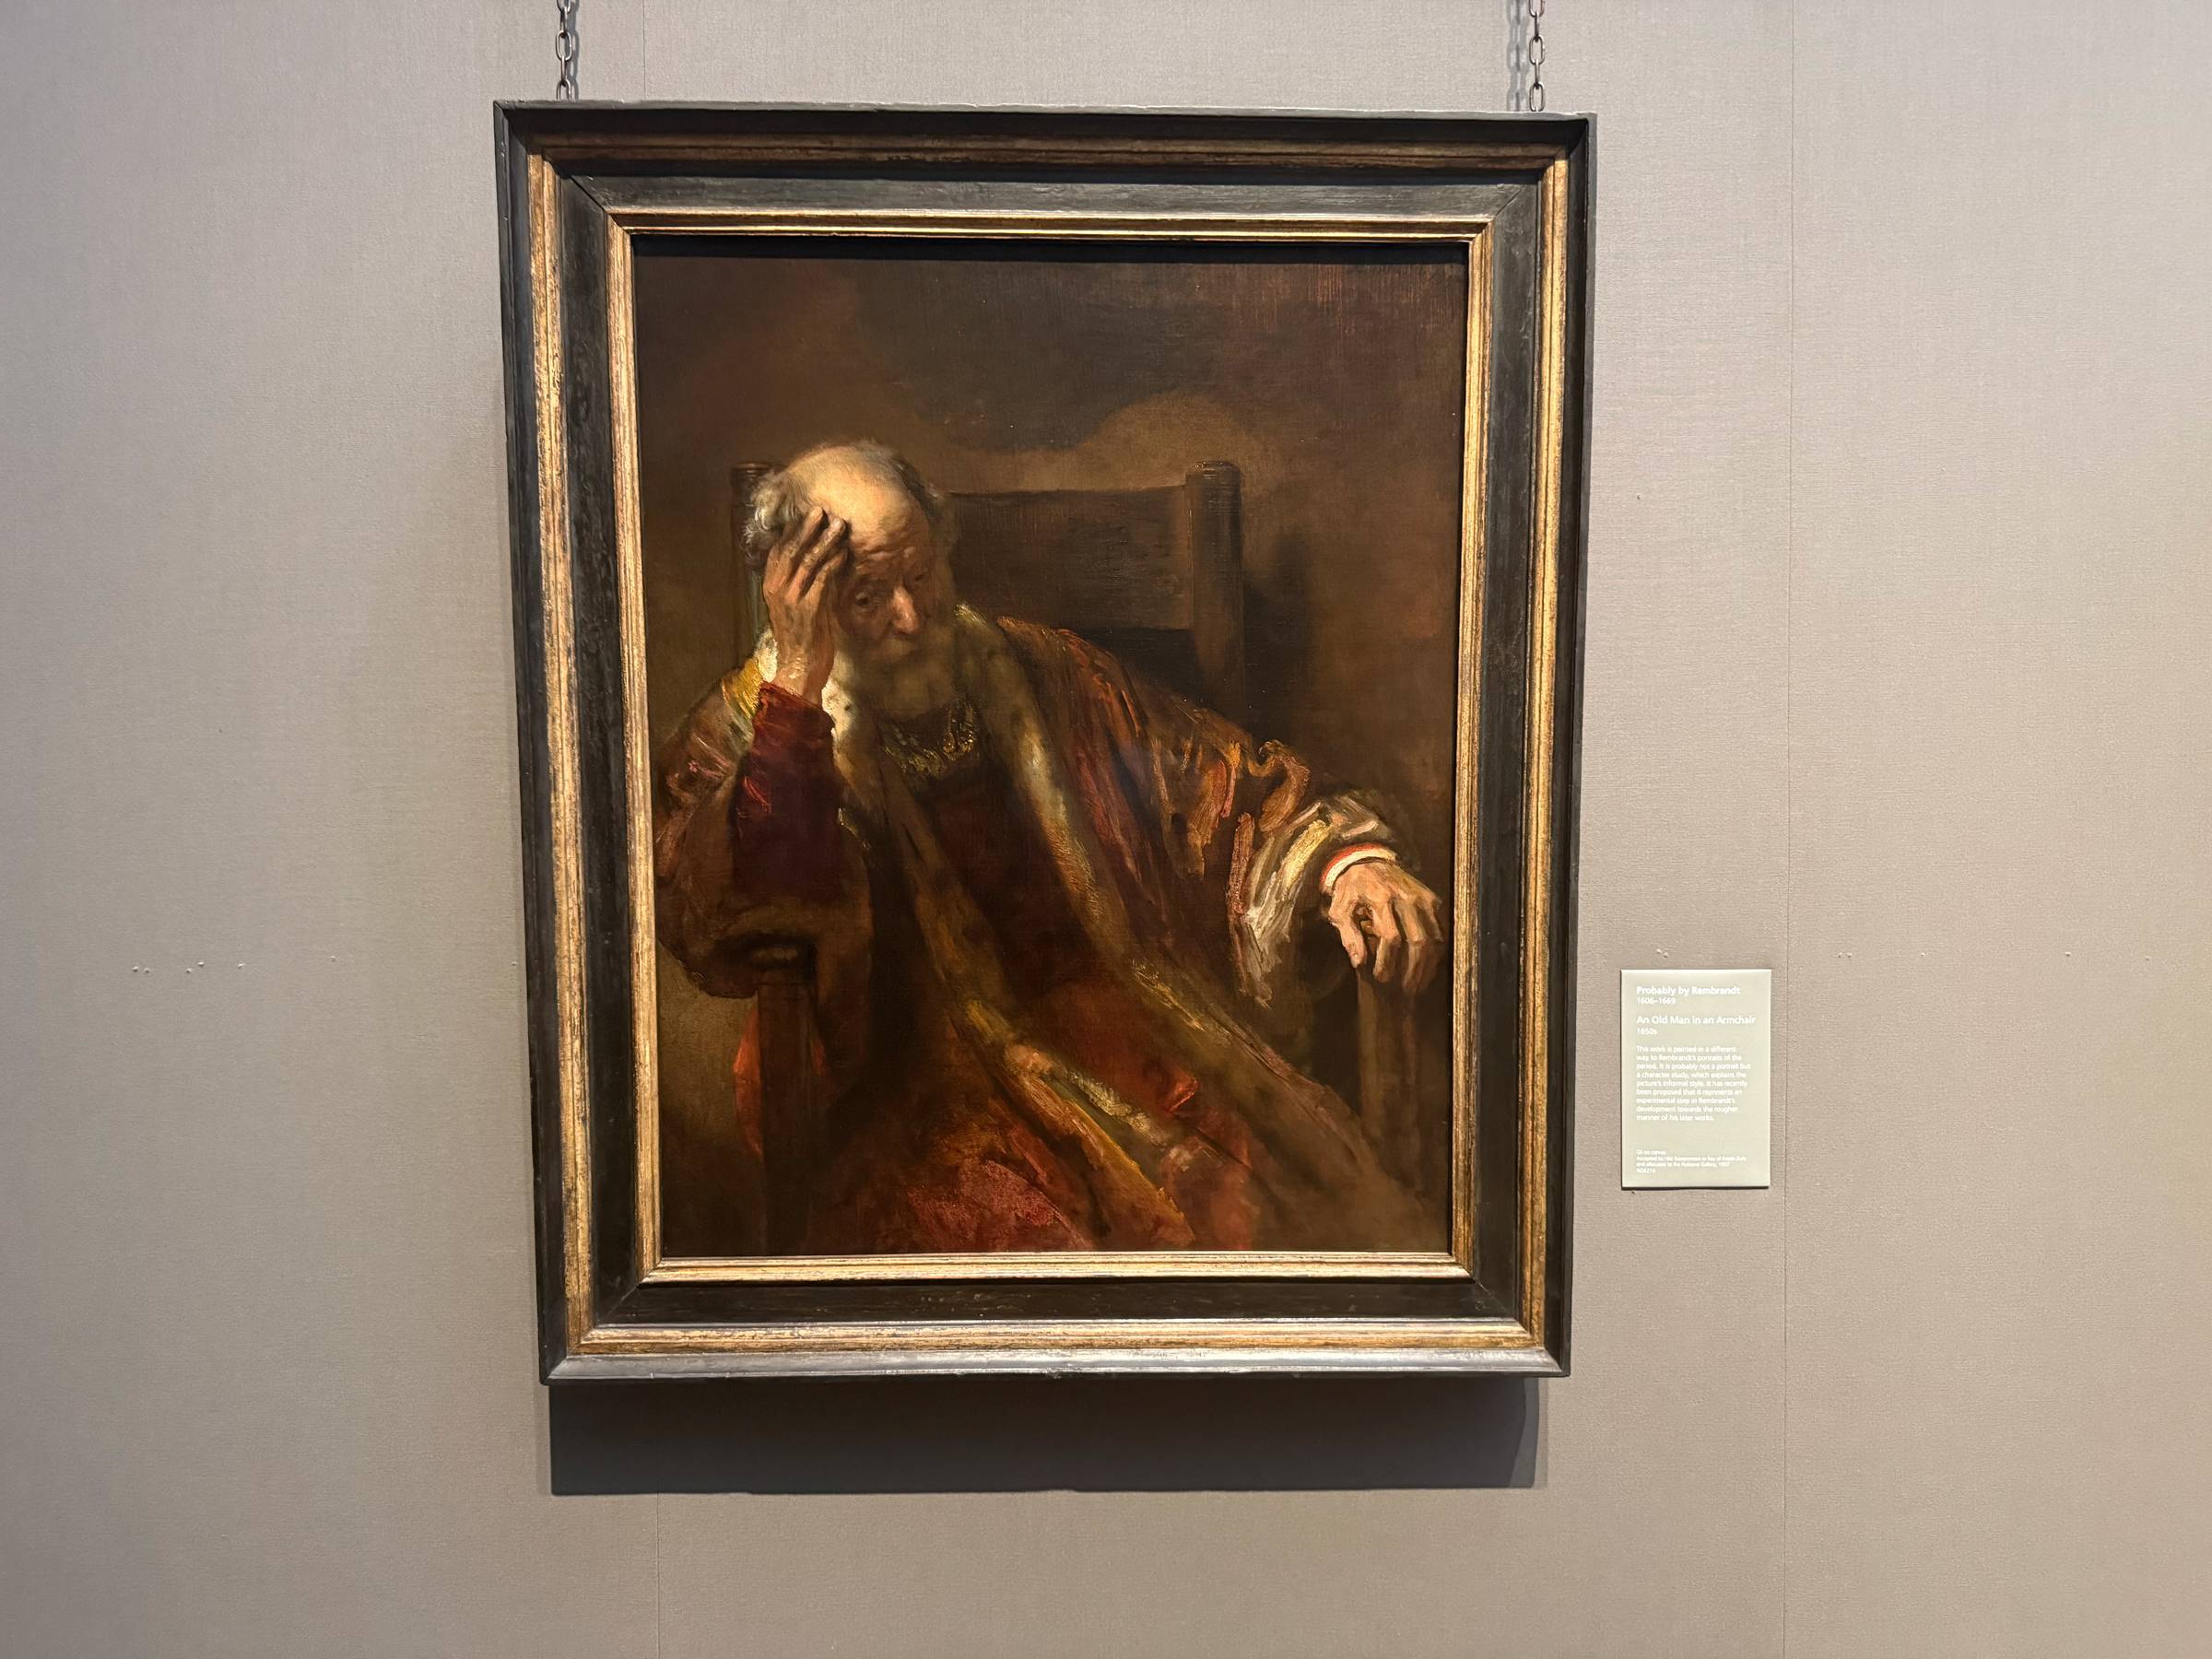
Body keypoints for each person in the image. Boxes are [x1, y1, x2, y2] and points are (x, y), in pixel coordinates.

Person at [653, 441, 1446, 1253]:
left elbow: (1215, 778)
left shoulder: (1041, 672)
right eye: (866, 597)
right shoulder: (747, 728)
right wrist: (796, 687)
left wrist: (1351, 865)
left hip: (1139, 1036)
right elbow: (739, 906)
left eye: (922, 575)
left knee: (1282, 1210)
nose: (912, 617)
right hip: (919, 1099)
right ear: (800, 603)